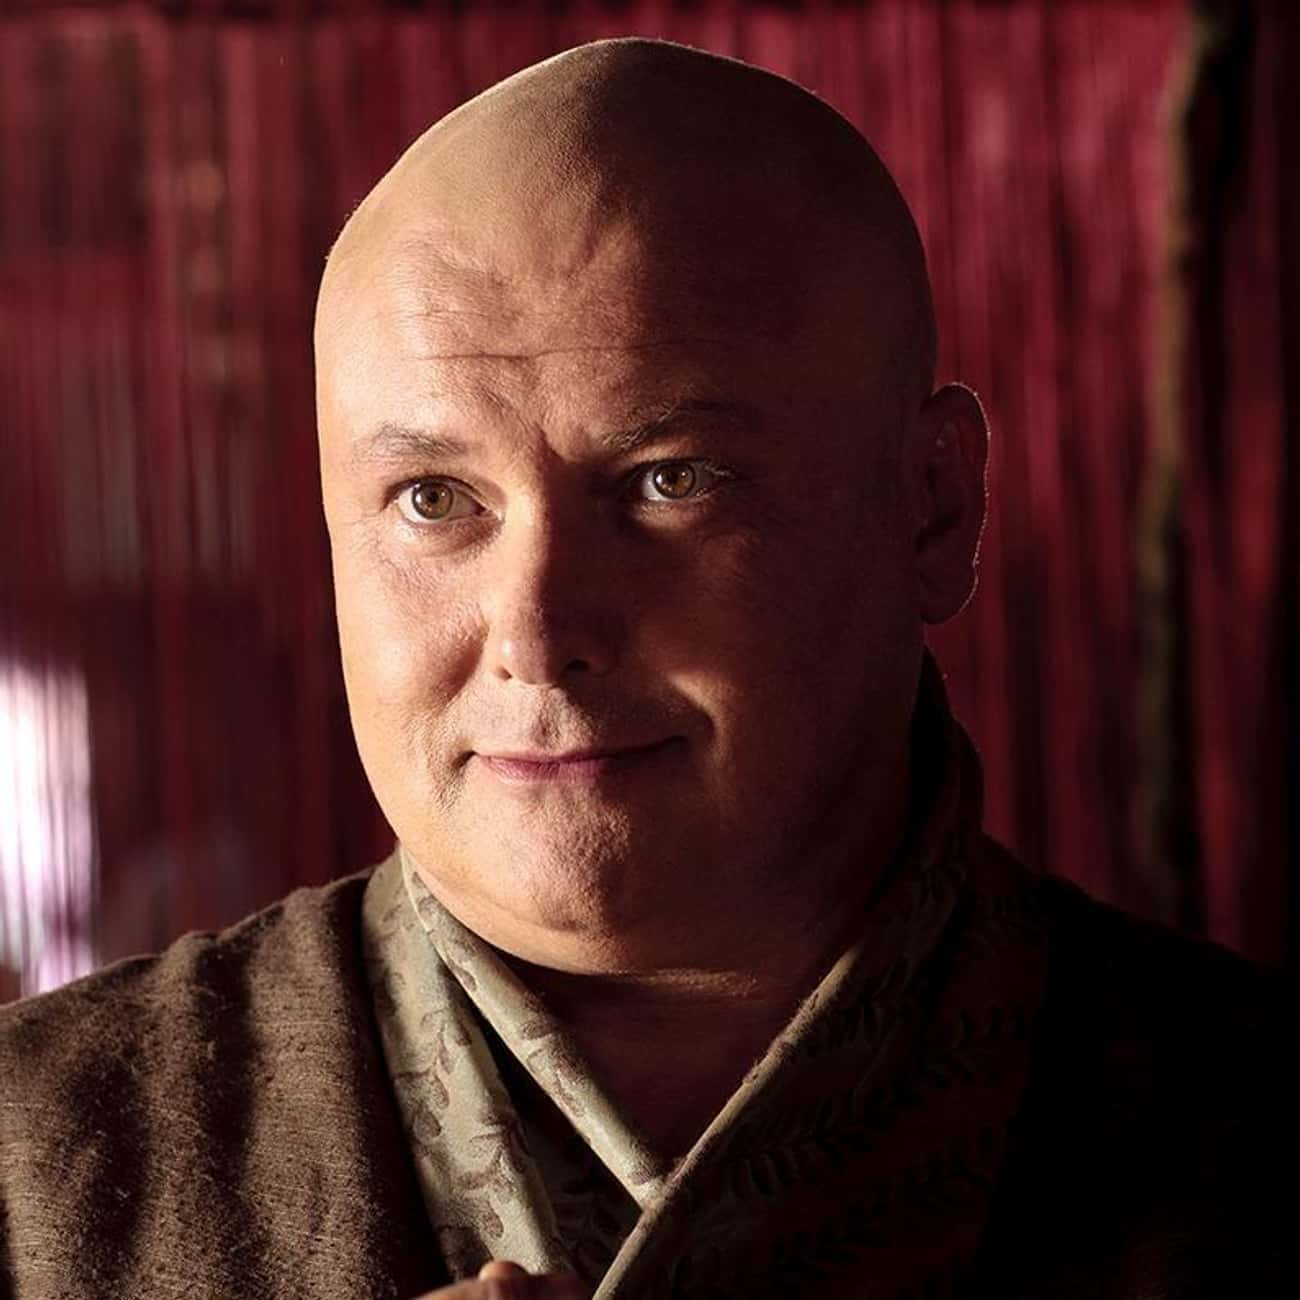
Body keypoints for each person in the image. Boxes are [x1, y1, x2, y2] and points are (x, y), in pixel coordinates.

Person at [1, 37, 1294, 1300]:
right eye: (433, 497)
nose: (535, 631)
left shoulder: (1255, 1141)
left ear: (931, 509)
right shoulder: (31, 1165)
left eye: (670, 481)